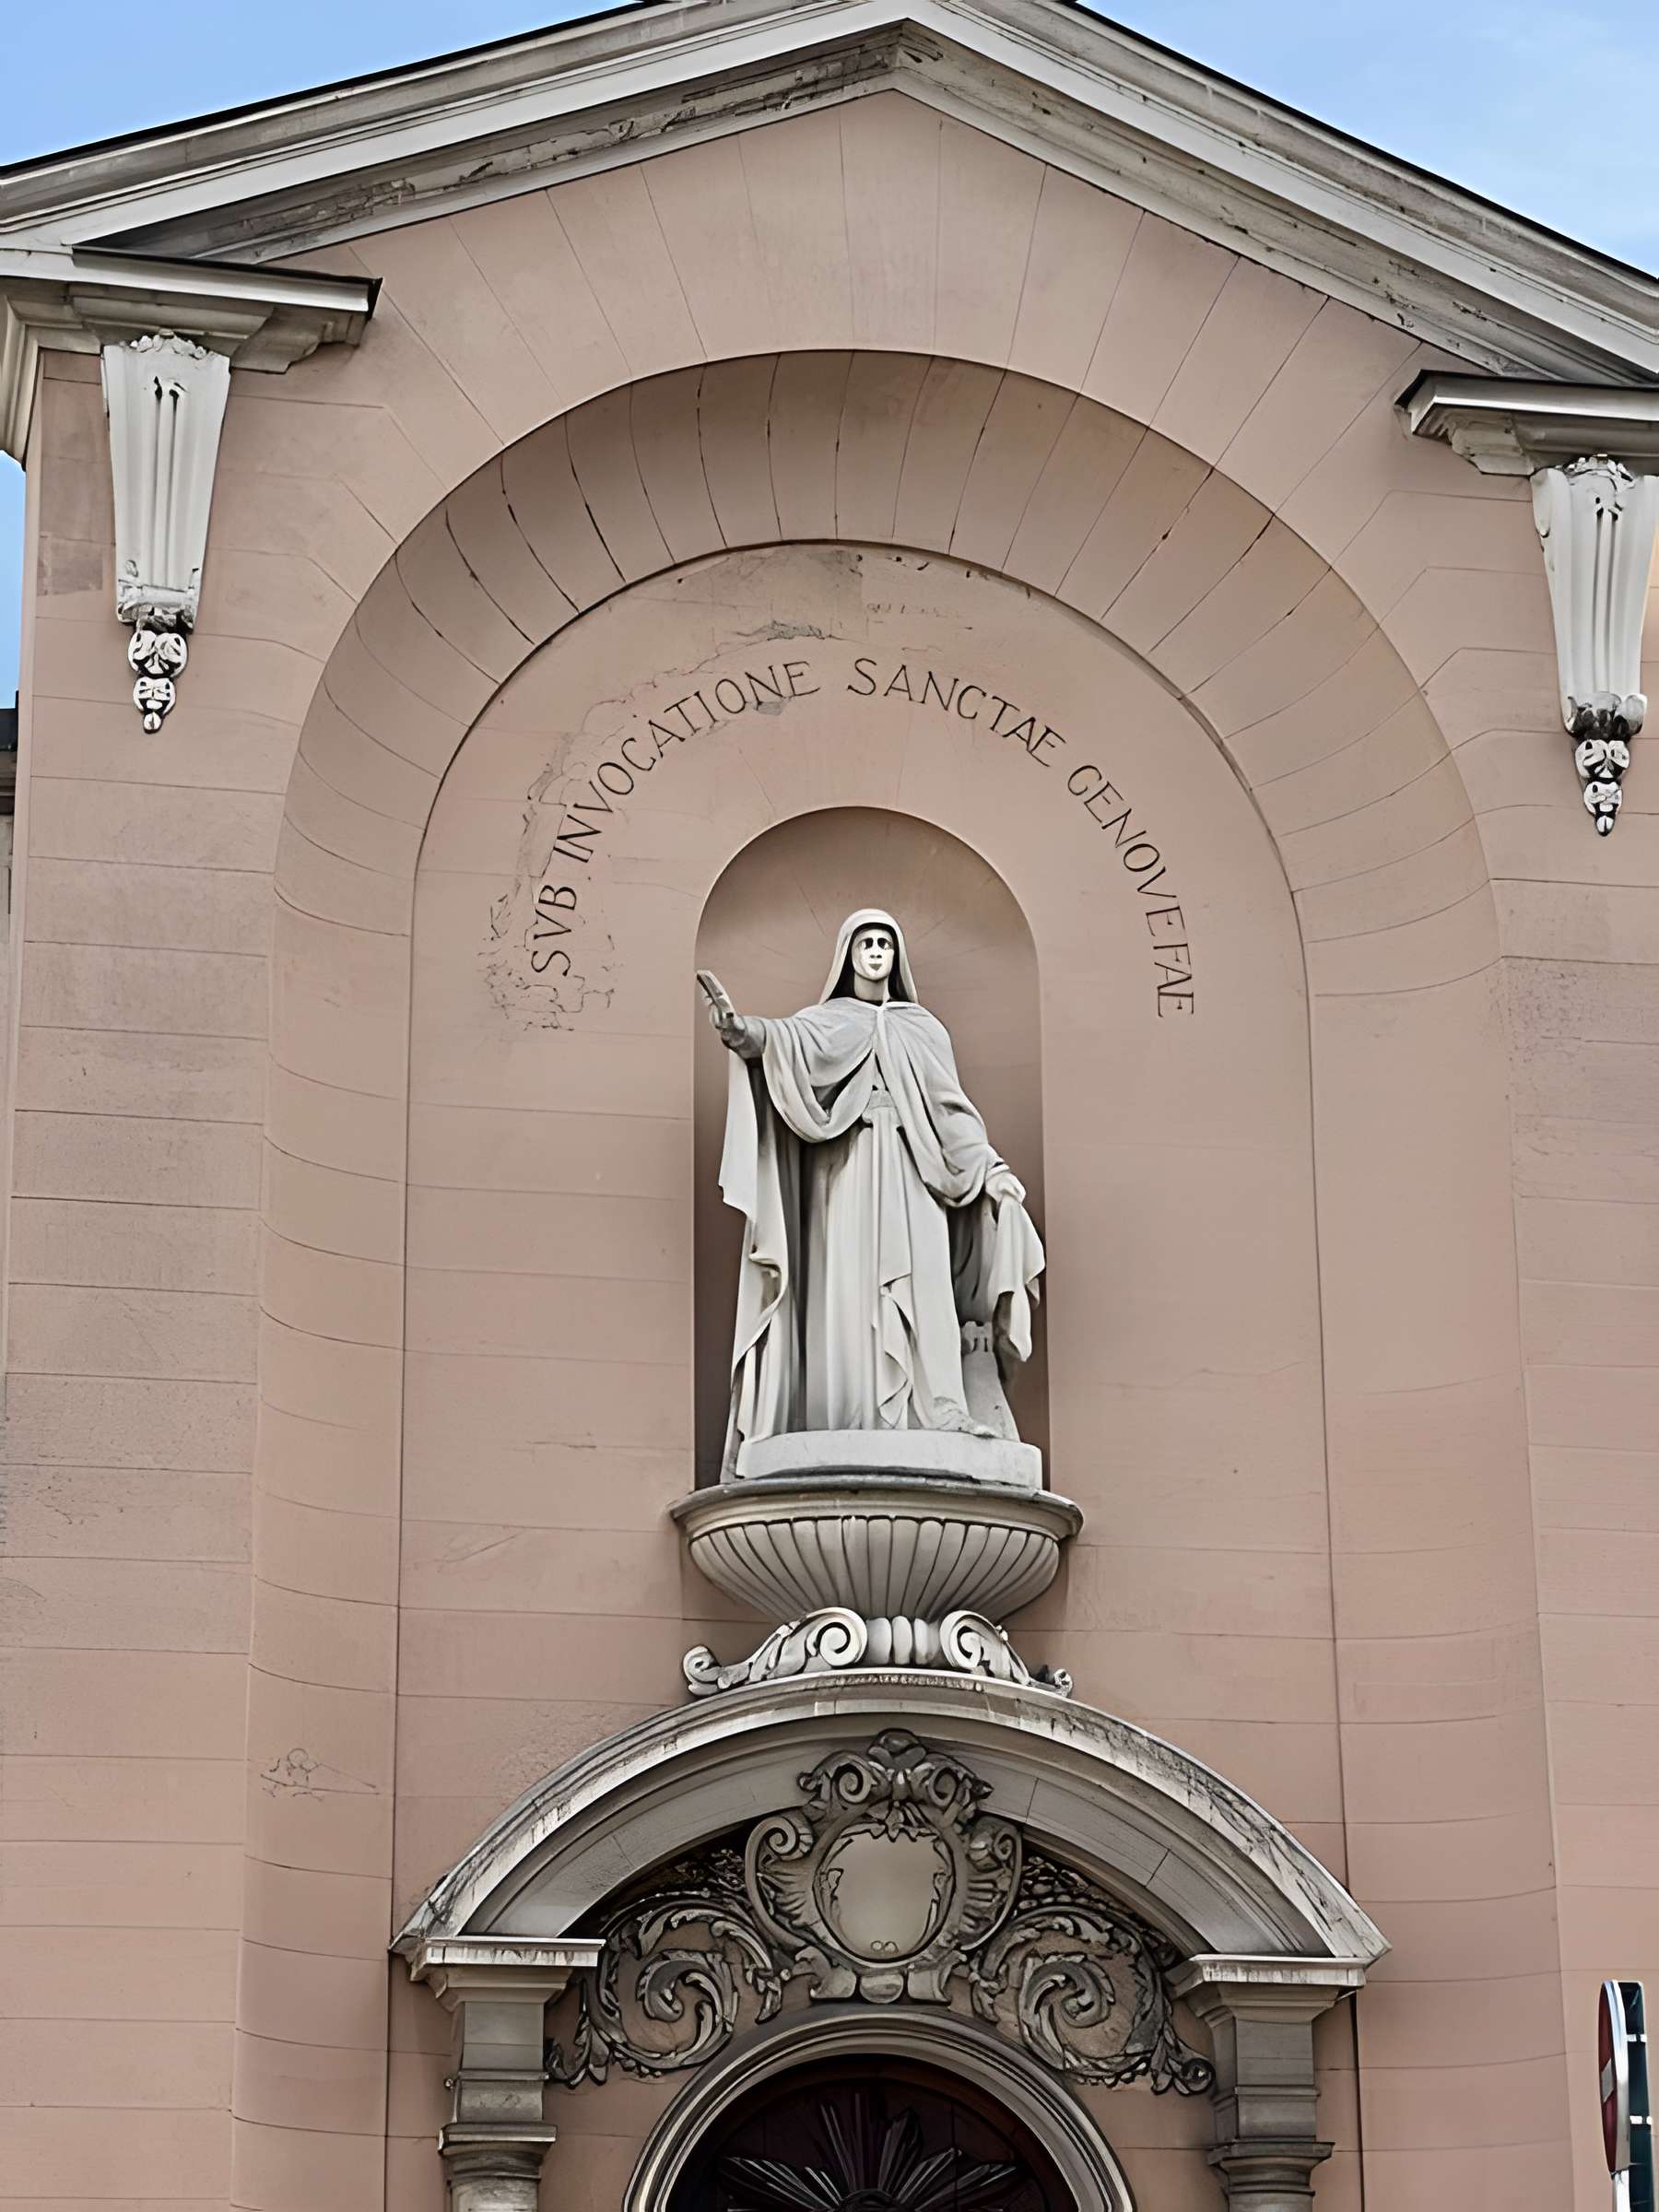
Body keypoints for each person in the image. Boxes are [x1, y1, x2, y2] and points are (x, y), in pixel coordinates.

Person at [705, 909, 1043, 1469]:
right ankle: (844, 1413)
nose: (877, 950)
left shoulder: (924, 1028)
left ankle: (940, 1408)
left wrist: (993, 1171)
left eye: (886, 941)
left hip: (916, 1175)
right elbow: (783, 1043)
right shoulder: (826, 1021)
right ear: (847, 954)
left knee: (924, 1282)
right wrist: (741, 1031)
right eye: (866, 941)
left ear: (898, 956)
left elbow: (952, 1112)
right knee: (849, 1283)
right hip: (847, 1171)